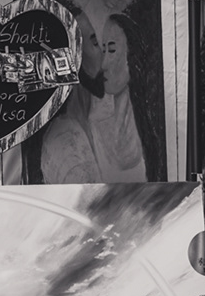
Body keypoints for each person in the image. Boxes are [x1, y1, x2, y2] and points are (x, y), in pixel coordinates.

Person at [35, 10, 146, 184]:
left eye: (109, 49)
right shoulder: (67, 136)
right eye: (97, 44)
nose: (104, 60)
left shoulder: (127, 127)